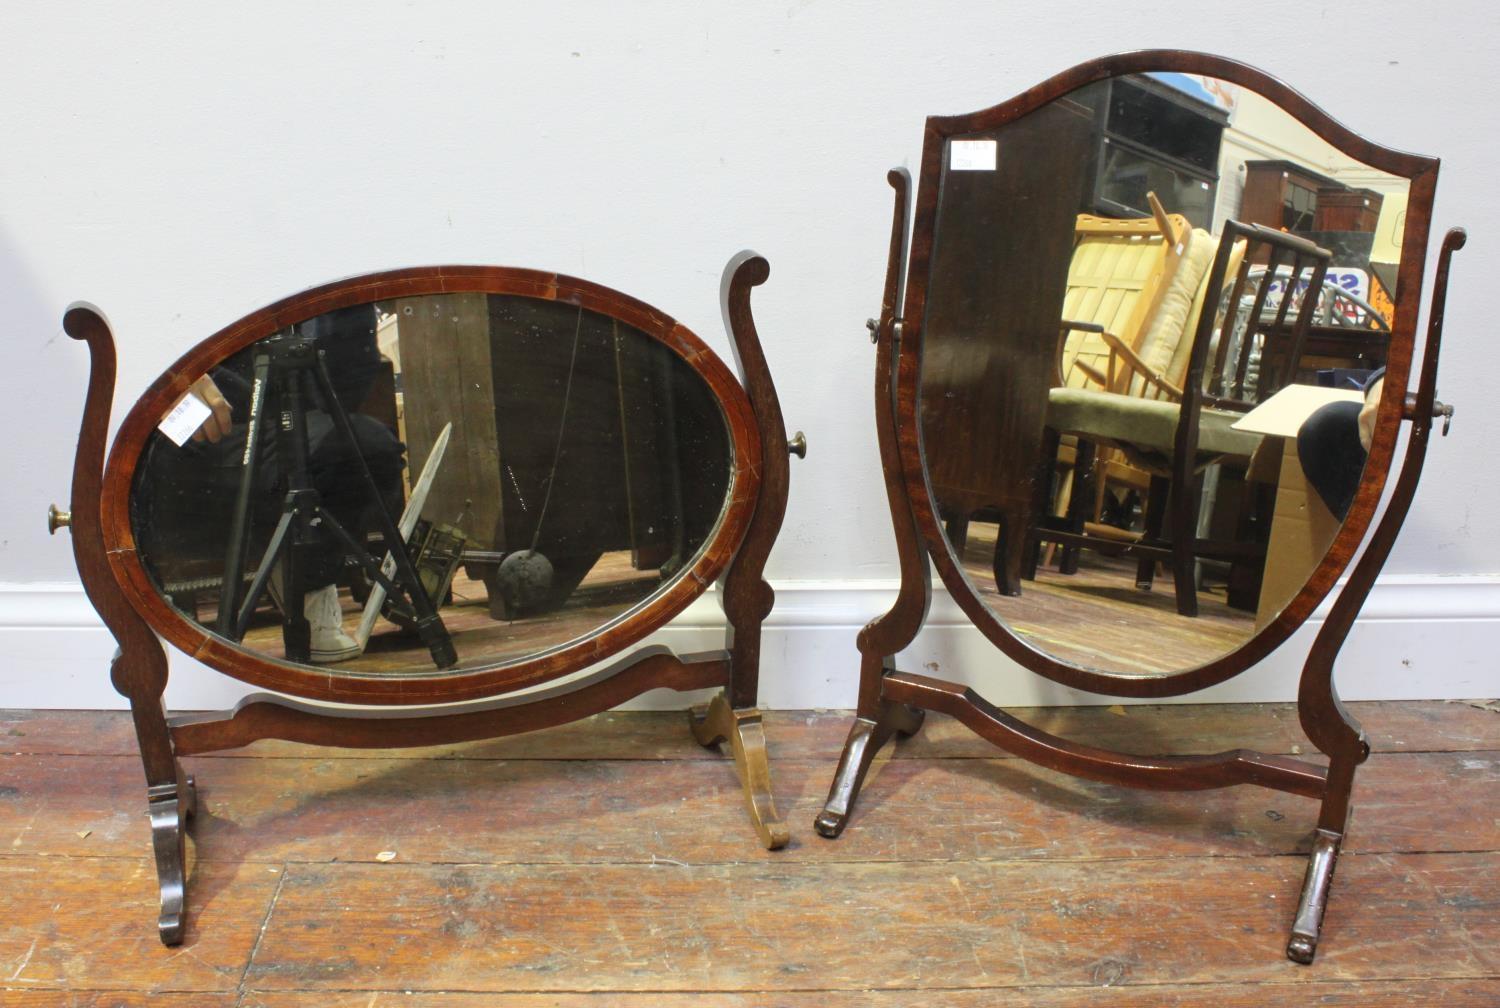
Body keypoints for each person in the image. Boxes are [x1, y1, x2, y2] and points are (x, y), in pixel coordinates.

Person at [138, 305, 405, 662]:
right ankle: (149, 599)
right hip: (190, 427)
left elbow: (344, 386)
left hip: (281, 417)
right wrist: (165, 368)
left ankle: (306, 578)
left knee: (369, 449)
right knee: (148, 454)